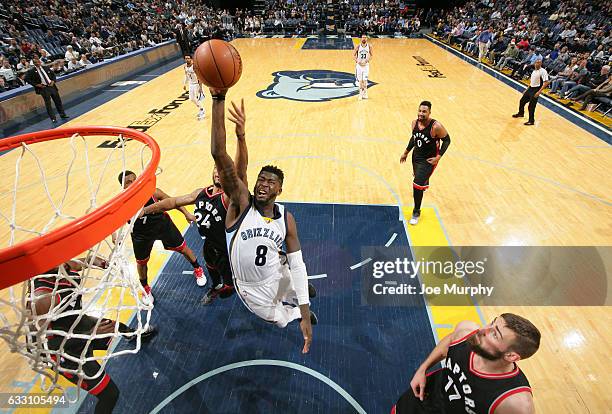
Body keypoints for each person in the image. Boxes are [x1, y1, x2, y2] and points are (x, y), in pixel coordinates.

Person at [208, 88, 317, 353]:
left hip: (276, 274)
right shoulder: (241, 204)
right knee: (279, 319)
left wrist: (303, 310)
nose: (264, 184)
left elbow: (299, 265)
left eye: (271, 182)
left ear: (279, 190)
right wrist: (218, 100)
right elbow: (219, 154)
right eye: (261, 179)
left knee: (296, 284)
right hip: (250, 289)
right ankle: (289, 313)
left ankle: (295, 298)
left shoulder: (286, 218)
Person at [142, 100, 249, 305]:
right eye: (215, 170)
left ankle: (237, 289)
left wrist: (240, 137)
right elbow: (172, 202)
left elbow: (241, 171)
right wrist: (145, 211)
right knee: (211, 269)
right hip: (209, 244)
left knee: (230, 283)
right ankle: (215, 287)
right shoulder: (201, 192)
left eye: (222, 171)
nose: (218, 173)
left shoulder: (229, 197)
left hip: (229, 249)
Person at [29, 257, 156, 414]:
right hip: (62, 350)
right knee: (109, 394)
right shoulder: (41, 299)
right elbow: (37, 348)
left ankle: (135, 336)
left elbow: (86, 261)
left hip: (76, 324)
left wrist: (104, 263)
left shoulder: (61, 266)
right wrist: (89, 334)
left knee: (114, 325)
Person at [392, 314, 540, 414]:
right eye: (492, 323)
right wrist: (422, 369)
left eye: (494, 334)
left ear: (511, 355)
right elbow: (449, 343)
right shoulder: (467, 333)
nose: (482, 329)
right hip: (423, 399)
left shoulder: (515, 403)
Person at [118, 171, 205, 302]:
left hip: (162, 226)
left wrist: (186, 213)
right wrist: (115, 235)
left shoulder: (152, 192)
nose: (133, 183)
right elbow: (115, 221)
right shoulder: (121, 203)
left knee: (183, 248)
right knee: (141, 263)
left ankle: (198, 268)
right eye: (128, 182)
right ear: (123, 187)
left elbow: (173, 201)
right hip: (141, 234)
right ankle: (145, 288)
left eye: (134, 180)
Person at [400, 101, 451, 225]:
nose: (421, 114)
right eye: (420, 111)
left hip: (429, 160)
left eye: (424, 112)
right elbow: (414, 138)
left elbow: (447, 140)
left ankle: (416, 211)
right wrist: (406, 152)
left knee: (417, 185)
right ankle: (423, 182)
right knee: (419, 180)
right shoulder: (414, 123)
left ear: (429, 113)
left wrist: (438, 157)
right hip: (416, 157)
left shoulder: (436, 126)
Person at [24, 56, 69, 123]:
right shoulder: (31, 71)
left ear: (40, 61)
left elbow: (53, 75)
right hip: (44, 88)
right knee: (48, 104)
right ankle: (53, 118)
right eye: (35, 62)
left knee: (58, 101)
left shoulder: (46, 67)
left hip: (52, 86)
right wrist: (36, 85)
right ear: (34, 63)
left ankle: (62, 114)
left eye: (38, 62)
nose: (37, 63)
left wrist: (53, 81)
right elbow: (26, 79)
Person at [512, 58, 549, 126]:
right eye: (536, 62)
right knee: (522, 101)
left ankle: (531, 121)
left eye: (539, 62)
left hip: (536, 90)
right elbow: (532, 82)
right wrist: (527, 89)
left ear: (541, 64)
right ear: (535, 63)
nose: (537, 64)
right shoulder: (534, 71)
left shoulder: (543, 71)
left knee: (531, 106)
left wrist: (539, 92)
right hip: (530, 89)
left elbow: (546, 82)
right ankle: (521, 113)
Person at [183, 55, 205, 120]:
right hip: (191, 84)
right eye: (186, 58)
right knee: (191, 98)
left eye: (188, 58)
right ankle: (201, 108)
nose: (187, 59)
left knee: (197, 98)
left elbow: (199, 77)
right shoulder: (185, 66)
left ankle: (202, 111)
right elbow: (186, 75)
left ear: (191, 59)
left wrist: (200, 87)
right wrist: (184, 84)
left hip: (196, 84)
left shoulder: (194, 66)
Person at [353, 34, 373, 100]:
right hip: (359, 66)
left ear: (366, 38)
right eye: (363, 37)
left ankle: (365, 93)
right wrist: (357, 61)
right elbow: (354, 55)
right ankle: (360, 94)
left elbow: (371, 55)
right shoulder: (358, 46)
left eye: (365, 37)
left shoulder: (369, 46)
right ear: (361, 38)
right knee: (360, 81)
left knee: (365, 80)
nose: (364, 39)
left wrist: (367, 60)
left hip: (366, 66)